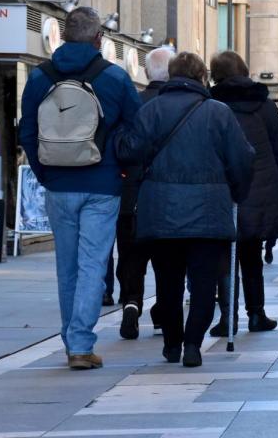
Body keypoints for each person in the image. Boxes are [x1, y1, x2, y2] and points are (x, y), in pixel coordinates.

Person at [19, 7, 141, 369]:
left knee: (67, 266)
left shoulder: (40, 77)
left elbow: (27, 132)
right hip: (102, 185)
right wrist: (121, 170)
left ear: (65, 36)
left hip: (58, 184)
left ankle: (72, 340)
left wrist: (46, 175)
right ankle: (81, 345)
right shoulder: (115, 78)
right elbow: (137, 133)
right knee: (93, 264)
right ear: (98, 38)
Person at [116, 51, 254, 367]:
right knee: (204, 283)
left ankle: (171, 343)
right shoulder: (219, 113)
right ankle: (193, 343)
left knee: (168, 283)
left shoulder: (151, 111)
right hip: (208, 214)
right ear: (202, 77)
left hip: (161, 214)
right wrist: (236, 191)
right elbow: (243, 158)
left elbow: (130, 151)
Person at [207, 50, 278, 335]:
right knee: (251, 256)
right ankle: (257, 314)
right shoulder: (264, 105)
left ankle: (227, 317)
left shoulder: (211, 103)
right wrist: (274, 181)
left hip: (222, 189)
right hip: (258, 189)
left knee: (224, 258)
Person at [116, 46, 173, 338]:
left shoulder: (135, 104)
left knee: (132, 257)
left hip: (133, 195)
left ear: (147, 73)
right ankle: (163, 309)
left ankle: (131, 303)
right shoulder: (180, 106)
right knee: (167, 261)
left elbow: (121, 149)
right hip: (167, 199)